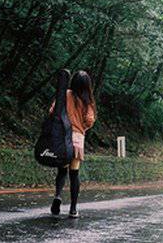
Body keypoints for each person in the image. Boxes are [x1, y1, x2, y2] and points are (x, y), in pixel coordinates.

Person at [49, 70, 96, 218]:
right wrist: (82, 127)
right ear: (87, 85)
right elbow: (89, 120)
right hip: (77, 139)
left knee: (61, 171)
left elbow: (52, 111)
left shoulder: (65, 94)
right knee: (74, 173)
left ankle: (57, 196)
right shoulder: (87, 100)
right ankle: (73, 209)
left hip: (62, 137)